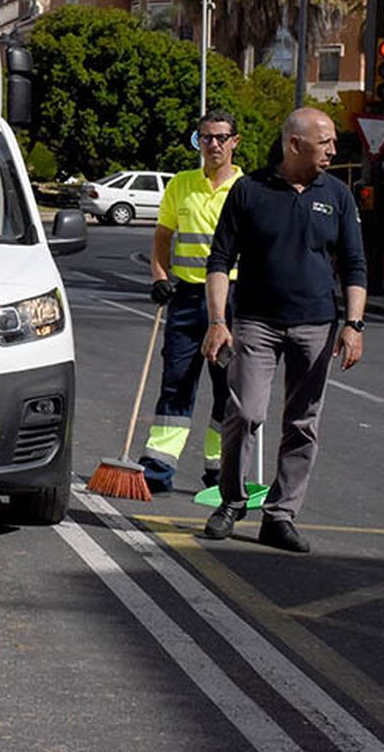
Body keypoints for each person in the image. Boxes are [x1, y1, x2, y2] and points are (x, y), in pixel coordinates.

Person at [201, 108, 366, 553]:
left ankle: (280, 515)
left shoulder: (337, 195)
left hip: (317, 324)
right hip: (255, 321)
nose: (333, 149)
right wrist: (218, 322)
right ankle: (232, 502)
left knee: (303, 423)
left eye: (334, 142)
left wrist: (353, 324)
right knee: (246, 413)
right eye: (325, 141)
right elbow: (219, 260)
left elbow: (354, 265)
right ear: (295, 143)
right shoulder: (249, 190)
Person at [139, 110, 243, 493]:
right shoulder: (181, 185)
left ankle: (220, 472)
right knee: (176, 383)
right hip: (185, 298)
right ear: (197, 142)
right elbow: (163, 238)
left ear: (235, 142)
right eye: (205, 138)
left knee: (228, 389)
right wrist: (160, 279)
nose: (212, 144)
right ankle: (157, 468)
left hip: (232, 301)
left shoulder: (247, 189)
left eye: (220, 137)